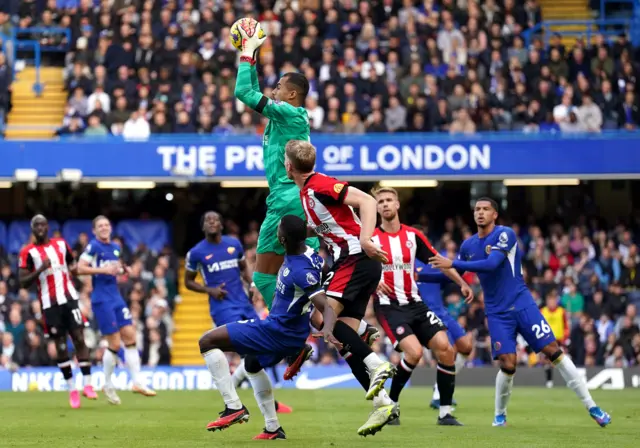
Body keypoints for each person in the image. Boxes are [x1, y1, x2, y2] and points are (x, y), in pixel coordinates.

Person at [233, 19, 380, 377]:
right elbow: (255, 95)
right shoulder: (282, 118)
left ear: (293, 94)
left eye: (279, 87)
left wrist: (247, 53)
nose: (274, 90)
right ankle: (353, 330)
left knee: (263, 280)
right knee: (299, 276)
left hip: (284, 201)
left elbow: (244, 94)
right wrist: (252, 54)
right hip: (297, 202)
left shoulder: (292, 113)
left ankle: (294, 339)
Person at [429, 197, 611, 428]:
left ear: (494, 214)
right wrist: (417, 276)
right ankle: (499, 415)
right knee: (508, 363)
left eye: (486, 209)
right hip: (496, 313)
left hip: (523, 304)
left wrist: (453, 263)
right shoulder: (468, 246)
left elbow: (492, 263)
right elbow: (453, 275)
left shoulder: (505, 234)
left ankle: (592, 406)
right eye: (477, 209)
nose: (480, 213)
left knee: (553, 351)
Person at [284, 140, 397, 436]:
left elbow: (367, 202)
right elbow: (328, 226)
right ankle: (383, 404)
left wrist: (366, 238)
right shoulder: (307, 194)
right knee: (340, 337)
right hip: (354, 262)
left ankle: (375, 363)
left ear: (288, 166)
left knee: (322, 319)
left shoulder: (320, 184)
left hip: (355, 258)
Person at [198, 215, 340, 440]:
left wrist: (329, 329)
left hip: (276, 331)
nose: (276, 232)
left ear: (282, 239)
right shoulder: (310, 255)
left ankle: (234, 406)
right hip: (289, 330)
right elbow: (314, 242)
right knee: (252, 364)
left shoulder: (300, 271)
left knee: (206, 341)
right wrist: (329, 227)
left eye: (278, 230)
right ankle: (273, 428)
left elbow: (326, 307)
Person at [371, 187, 470, 426]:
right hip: (389, 306)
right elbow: (357, 270)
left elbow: (438, 261)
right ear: (376, 208)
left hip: (416, 303)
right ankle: (390, 406)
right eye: (380, 201)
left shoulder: (413, 236)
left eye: (389, 200)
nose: (385, 204)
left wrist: (461, 282)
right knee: (414, 352)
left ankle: (445, 412)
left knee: (446, 349)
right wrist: (375, 282)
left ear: (397, 205)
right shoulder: (371, 239)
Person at [184, 211, 292, 414]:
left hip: (244, 303)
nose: (212, 222)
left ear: (222, 224)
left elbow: (244, 267)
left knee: (256, 353)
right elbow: (188, 282)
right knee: (251, 353)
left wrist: (251, 284)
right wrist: (209, 290)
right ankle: (258, 403)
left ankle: (243, 394)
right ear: (203, 227)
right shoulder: (196, 252)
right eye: (208, 220)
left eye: (216, 219)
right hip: (222, 307)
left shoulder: (233, 244)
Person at [18, 214, 97, 408]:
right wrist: (41, 270)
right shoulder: (28, 252)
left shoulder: (61, 244)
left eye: (43, 224)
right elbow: (23, 281)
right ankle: (72, 389)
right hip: (49, 305)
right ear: (32, 229)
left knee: (79, 337)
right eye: (36, 225)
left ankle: (87, 384)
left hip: (69, 298)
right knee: (60, 346)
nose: (40, 227)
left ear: (47, 226)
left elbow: (71, 264)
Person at [77, 215, 156, 404]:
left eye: (106, 225)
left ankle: (137, 382)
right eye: (100, 226)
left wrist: (123, 270)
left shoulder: (115, 247)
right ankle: (107, 384)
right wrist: (103, 271)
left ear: (110, 228)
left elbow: (114, 267)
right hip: (101, 299)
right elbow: (80, 267)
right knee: (113, 343)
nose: (104, 228)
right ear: (95, 231)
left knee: (130, 336)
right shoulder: (93, 247)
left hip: (116, 298)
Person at [540, 292, 570, 388]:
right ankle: (549, 381)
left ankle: (567, 380)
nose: (552, 303)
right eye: (550, 300)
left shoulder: (561, 311)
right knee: (547, 361)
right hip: (546, 341)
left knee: (562, 361)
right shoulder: (542, 311)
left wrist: (565, 339)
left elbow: (566, 326)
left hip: (559, 341)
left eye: (553, 300)